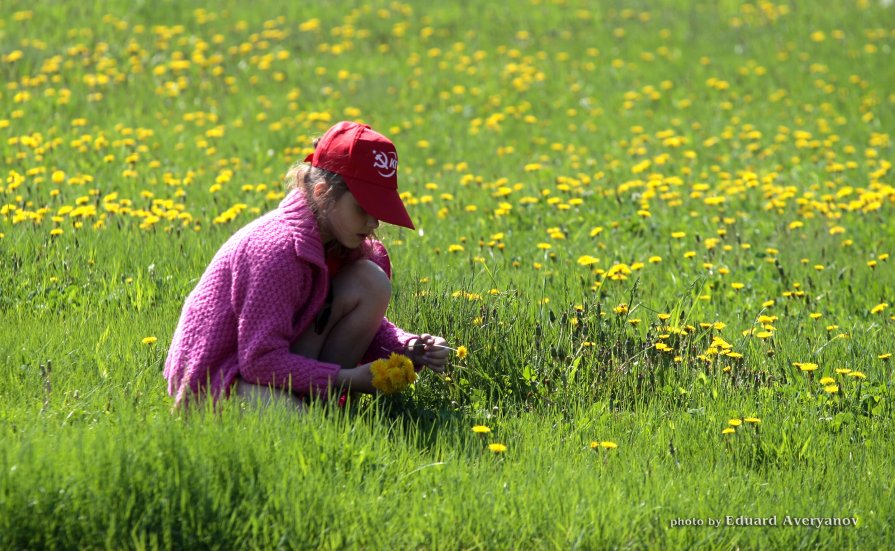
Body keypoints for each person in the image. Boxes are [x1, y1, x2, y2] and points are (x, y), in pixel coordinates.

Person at [164, 121, 450, 409]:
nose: (374, 221)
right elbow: (259, 361)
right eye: (364, 207)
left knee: (371, 280)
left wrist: (410, 347)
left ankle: (320, 406)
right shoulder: (276, 251)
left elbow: (346, 320)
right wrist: (346, 379)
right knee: (300, 428)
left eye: (381, 208)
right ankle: (313, 408)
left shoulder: (340, 240)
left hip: (266, 368)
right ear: (323, 192)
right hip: (218, 380)